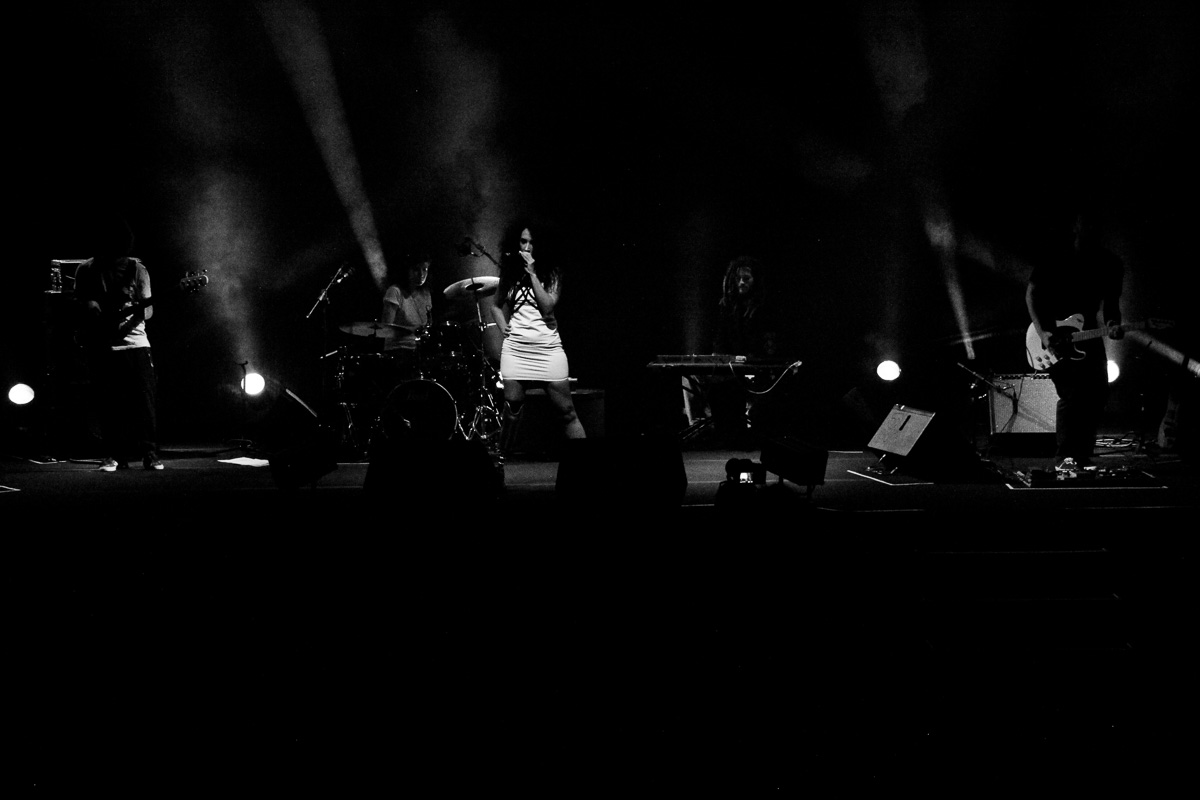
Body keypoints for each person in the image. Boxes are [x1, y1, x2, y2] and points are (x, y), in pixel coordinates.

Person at [1025, 209, 1125, 470]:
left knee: (1098, 392)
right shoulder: (1056, 256)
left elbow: (1111, 305)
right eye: (1086, 224)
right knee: (1072, 394)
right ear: (1076, 227)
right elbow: (1032, 293)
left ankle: (1082, 454)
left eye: (1095, 225)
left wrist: (1113, 324)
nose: (1091, 229)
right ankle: (1065, 457)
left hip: (1088, 334)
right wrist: (1043, 332)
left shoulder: (1110, 263)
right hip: (1055, 335)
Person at [73, 219, 164, 471]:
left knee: (144, 402)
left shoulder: (137, 270)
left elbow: (148, 312)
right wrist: (89, 306)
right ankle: (113, 454)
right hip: (101, 346)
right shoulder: (86, 269)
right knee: (108, 403)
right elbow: (79, 303)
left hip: (136, 344)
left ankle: (149, 453)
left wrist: (131, 314)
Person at [489, 221, 585, 454]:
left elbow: (548, 307)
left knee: (567, 412)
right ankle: (499, 463)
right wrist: (504, 328)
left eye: (532, 242)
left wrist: (532, 274)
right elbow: (495, 305)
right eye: (523, 241)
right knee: (512, 409)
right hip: (516, 349)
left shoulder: (552, 272)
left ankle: (584, 462)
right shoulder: (510, 272)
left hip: (547, 348)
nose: (527, 247)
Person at [701, 255, 780, 447]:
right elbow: (720, 339)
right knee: (715, 388)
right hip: (733, 367)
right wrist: (719, 358)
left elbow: (769, 343)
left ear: (755, 280)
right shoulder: (727, 306)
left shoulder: (764, 307)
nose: (741, 282)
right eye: (737, 278)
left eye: (746, 278)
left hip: (757, 367)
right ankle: (728, 434)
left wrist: (754, 358)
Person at [380, 251, 433, 354]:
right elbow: (386, 328)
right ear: (406, 270)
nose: (421, 274)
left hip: (419, 350)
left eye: (424, 269)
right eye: (416, 269)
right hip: (398, 350)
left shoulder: (426, 294)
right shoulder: (395, 291)